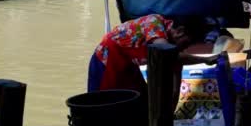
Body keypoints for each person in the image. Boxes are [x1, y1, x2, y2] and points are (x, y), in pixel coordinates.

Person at [87, 14, 216, 95]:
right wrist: (206, 59)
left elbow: (175, 89)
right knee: (101, 104)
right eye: (186, 43)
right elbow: (164, 51)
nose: (185, 48)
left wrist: (169, 116)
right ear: (180, 31)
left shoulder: (174, 50)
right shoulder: (154, 22)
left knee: (141, 100)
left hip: (129, 65)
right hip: (106, 61)